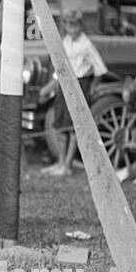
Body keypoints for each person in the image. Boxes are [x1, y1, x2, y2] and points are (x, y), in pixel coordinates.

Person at [42, 9, 108, 177]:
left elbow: (100, 68)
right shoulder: (65, 42)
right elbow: (60, 66)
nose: (73, 28)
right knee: (60, 124)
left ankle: (68, 164)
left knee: (73, 127)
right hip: (64, 84)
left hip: (80, 84)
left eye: (76, 25)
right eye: (69, 24)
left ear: (81, 25)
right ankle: (60, 161)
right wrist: (51, 85)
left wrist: (92, 87)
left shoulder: (86, 44)